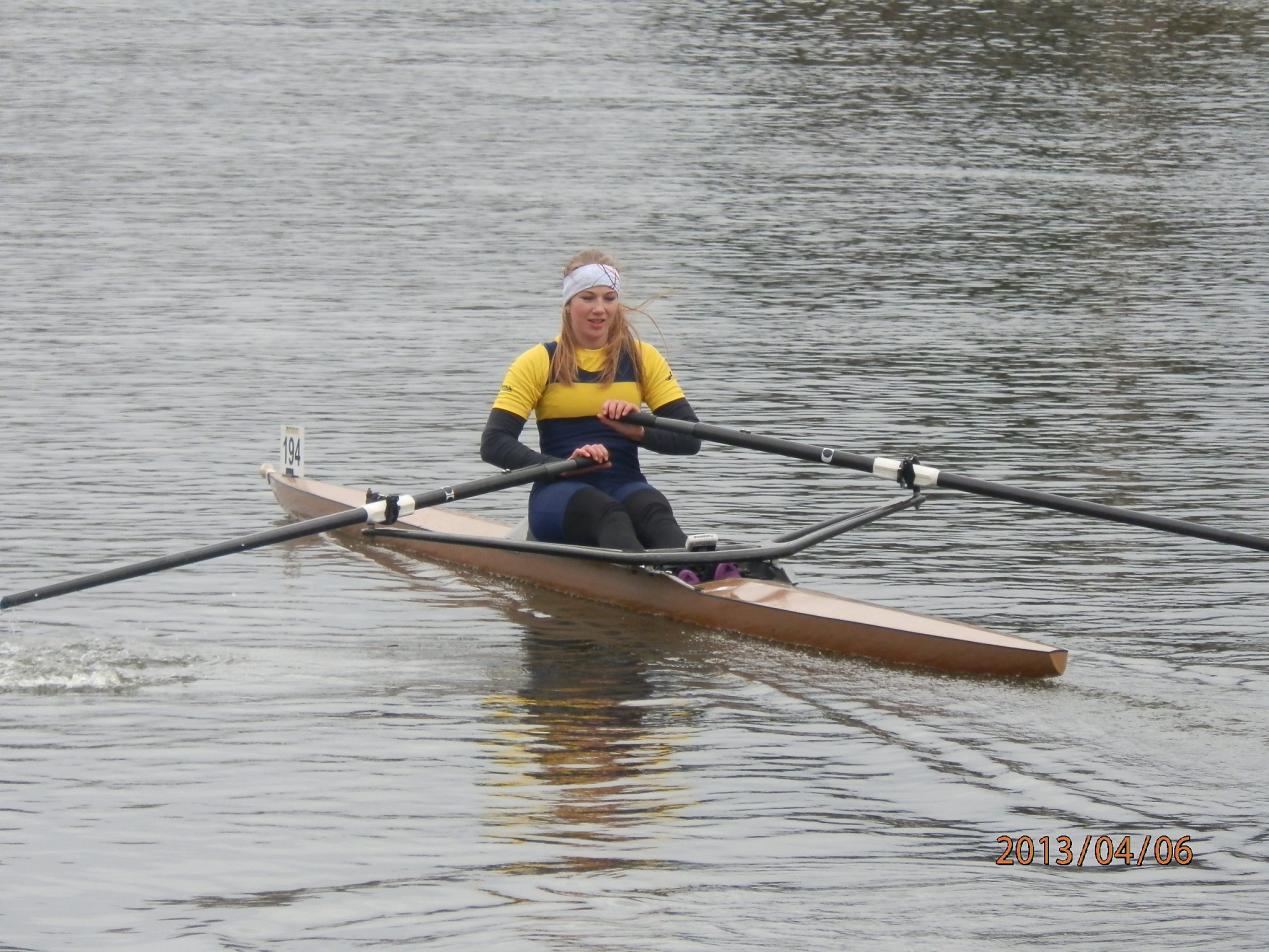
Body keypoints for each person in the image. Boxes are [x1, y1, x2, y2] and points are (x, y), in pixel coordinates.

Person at [482, 250, 730, 578]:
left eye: (609, 298)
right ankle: (655, 585)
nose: (599, 309)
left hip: (626, 483)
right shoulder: (538, 361)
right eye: (588, 297)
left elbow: (690, 438)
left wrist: (639, 431)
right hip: (559, 491)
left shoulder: (642, 359)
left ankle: (707, 576)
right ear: (568, 304)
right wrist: (561, 464)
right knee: (609, 515)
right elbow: (494, 443)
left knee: (655, 512)